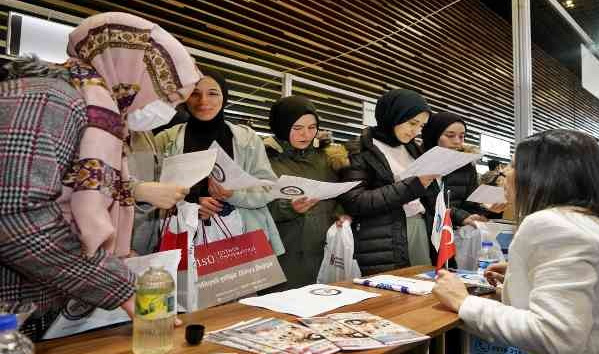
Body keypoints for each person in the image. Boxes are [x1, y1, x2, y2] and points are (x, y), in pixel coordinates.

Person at [0, 12, 200, 340]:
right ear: (133, 72)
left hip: (33, 298)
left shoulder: (96, 114)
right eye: (165, 94)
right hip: (12, 309)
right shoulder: (49, 98)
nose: (166, 108)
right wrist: (122, 287)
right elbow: (17, 216)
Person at [433, 129, 599, 354]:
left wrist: (463, 302)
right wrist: (523, 281)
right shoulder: (593, 221)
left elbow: (555, 338)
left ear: (540, 176)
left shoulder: (552, 225)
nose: (505, 174)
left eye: (513, 165)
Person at [154, 71, 284, 255]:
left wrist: (234, 195)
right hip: (183, 238)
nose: (203, 101)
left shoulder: (247, 140)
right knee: (186, 284)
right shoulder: (165, 140)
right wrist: (189, 205)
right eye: (195, 93)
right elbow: (150, 195)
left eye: (213, 93)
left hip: (243, 238)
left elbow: (268, 188)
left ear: (224, 97)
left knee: (237, 283)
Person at [339, 89, 438, 275]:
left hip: (420, 228)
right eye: (412, 123)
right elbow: (356, 201)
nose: (416, 131)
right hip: (382, 238)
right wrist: (415, 184)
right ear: (393, 115)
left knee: (424, 289)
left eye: (421, 126)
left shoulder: (413, 149)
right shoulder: (360, 150)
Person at [263, 95, 349, 290]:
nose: (306, 135)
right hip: (285, 254)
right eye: (298, 128)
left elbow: (337, 196)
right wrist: (289, 207)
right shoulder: (265, 159)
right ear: (282, 127)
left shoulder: (326, 158)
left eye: (312, 128)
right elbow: (254, 204)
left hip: (323, 253)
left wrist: (340, 214)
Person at [422, 112, 504, 223]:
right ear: (433, 135)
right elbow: (429, 203)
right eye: (450, 135)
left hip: (453, 232)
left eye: (461, 136)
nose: (457, 141)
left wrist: (489, 210)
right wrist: (461, 217)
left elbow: (470, 205)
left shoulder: (466, 166)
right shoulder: (419, 161)